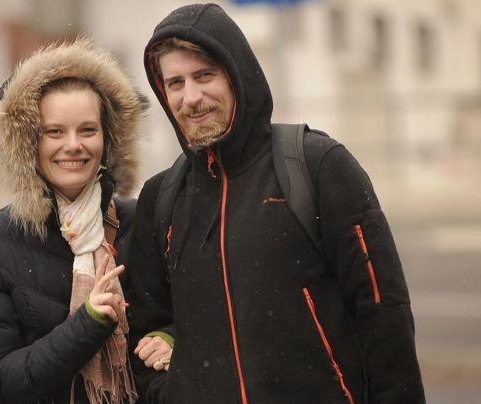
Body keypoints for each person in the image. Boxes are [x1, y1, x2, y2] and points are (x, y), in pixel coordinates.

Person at [128, 3, 425, 404]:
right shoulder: (161, 198)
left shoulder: (317, 165)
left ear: (237, 75)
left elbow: (382, 312)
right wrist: (170, 387)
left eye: (204, 75)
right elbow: (147, 328)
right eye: (176, 82)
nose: (191, 97)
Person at [0, 39, 171, 404]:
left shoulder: (145, 220)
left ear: (108, 138)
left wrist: (170, 337)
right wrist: (89, 323)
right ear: (28, 143)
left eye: (87, 130)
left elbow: (193, 316)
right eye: (54, 132)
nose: (73, 145)